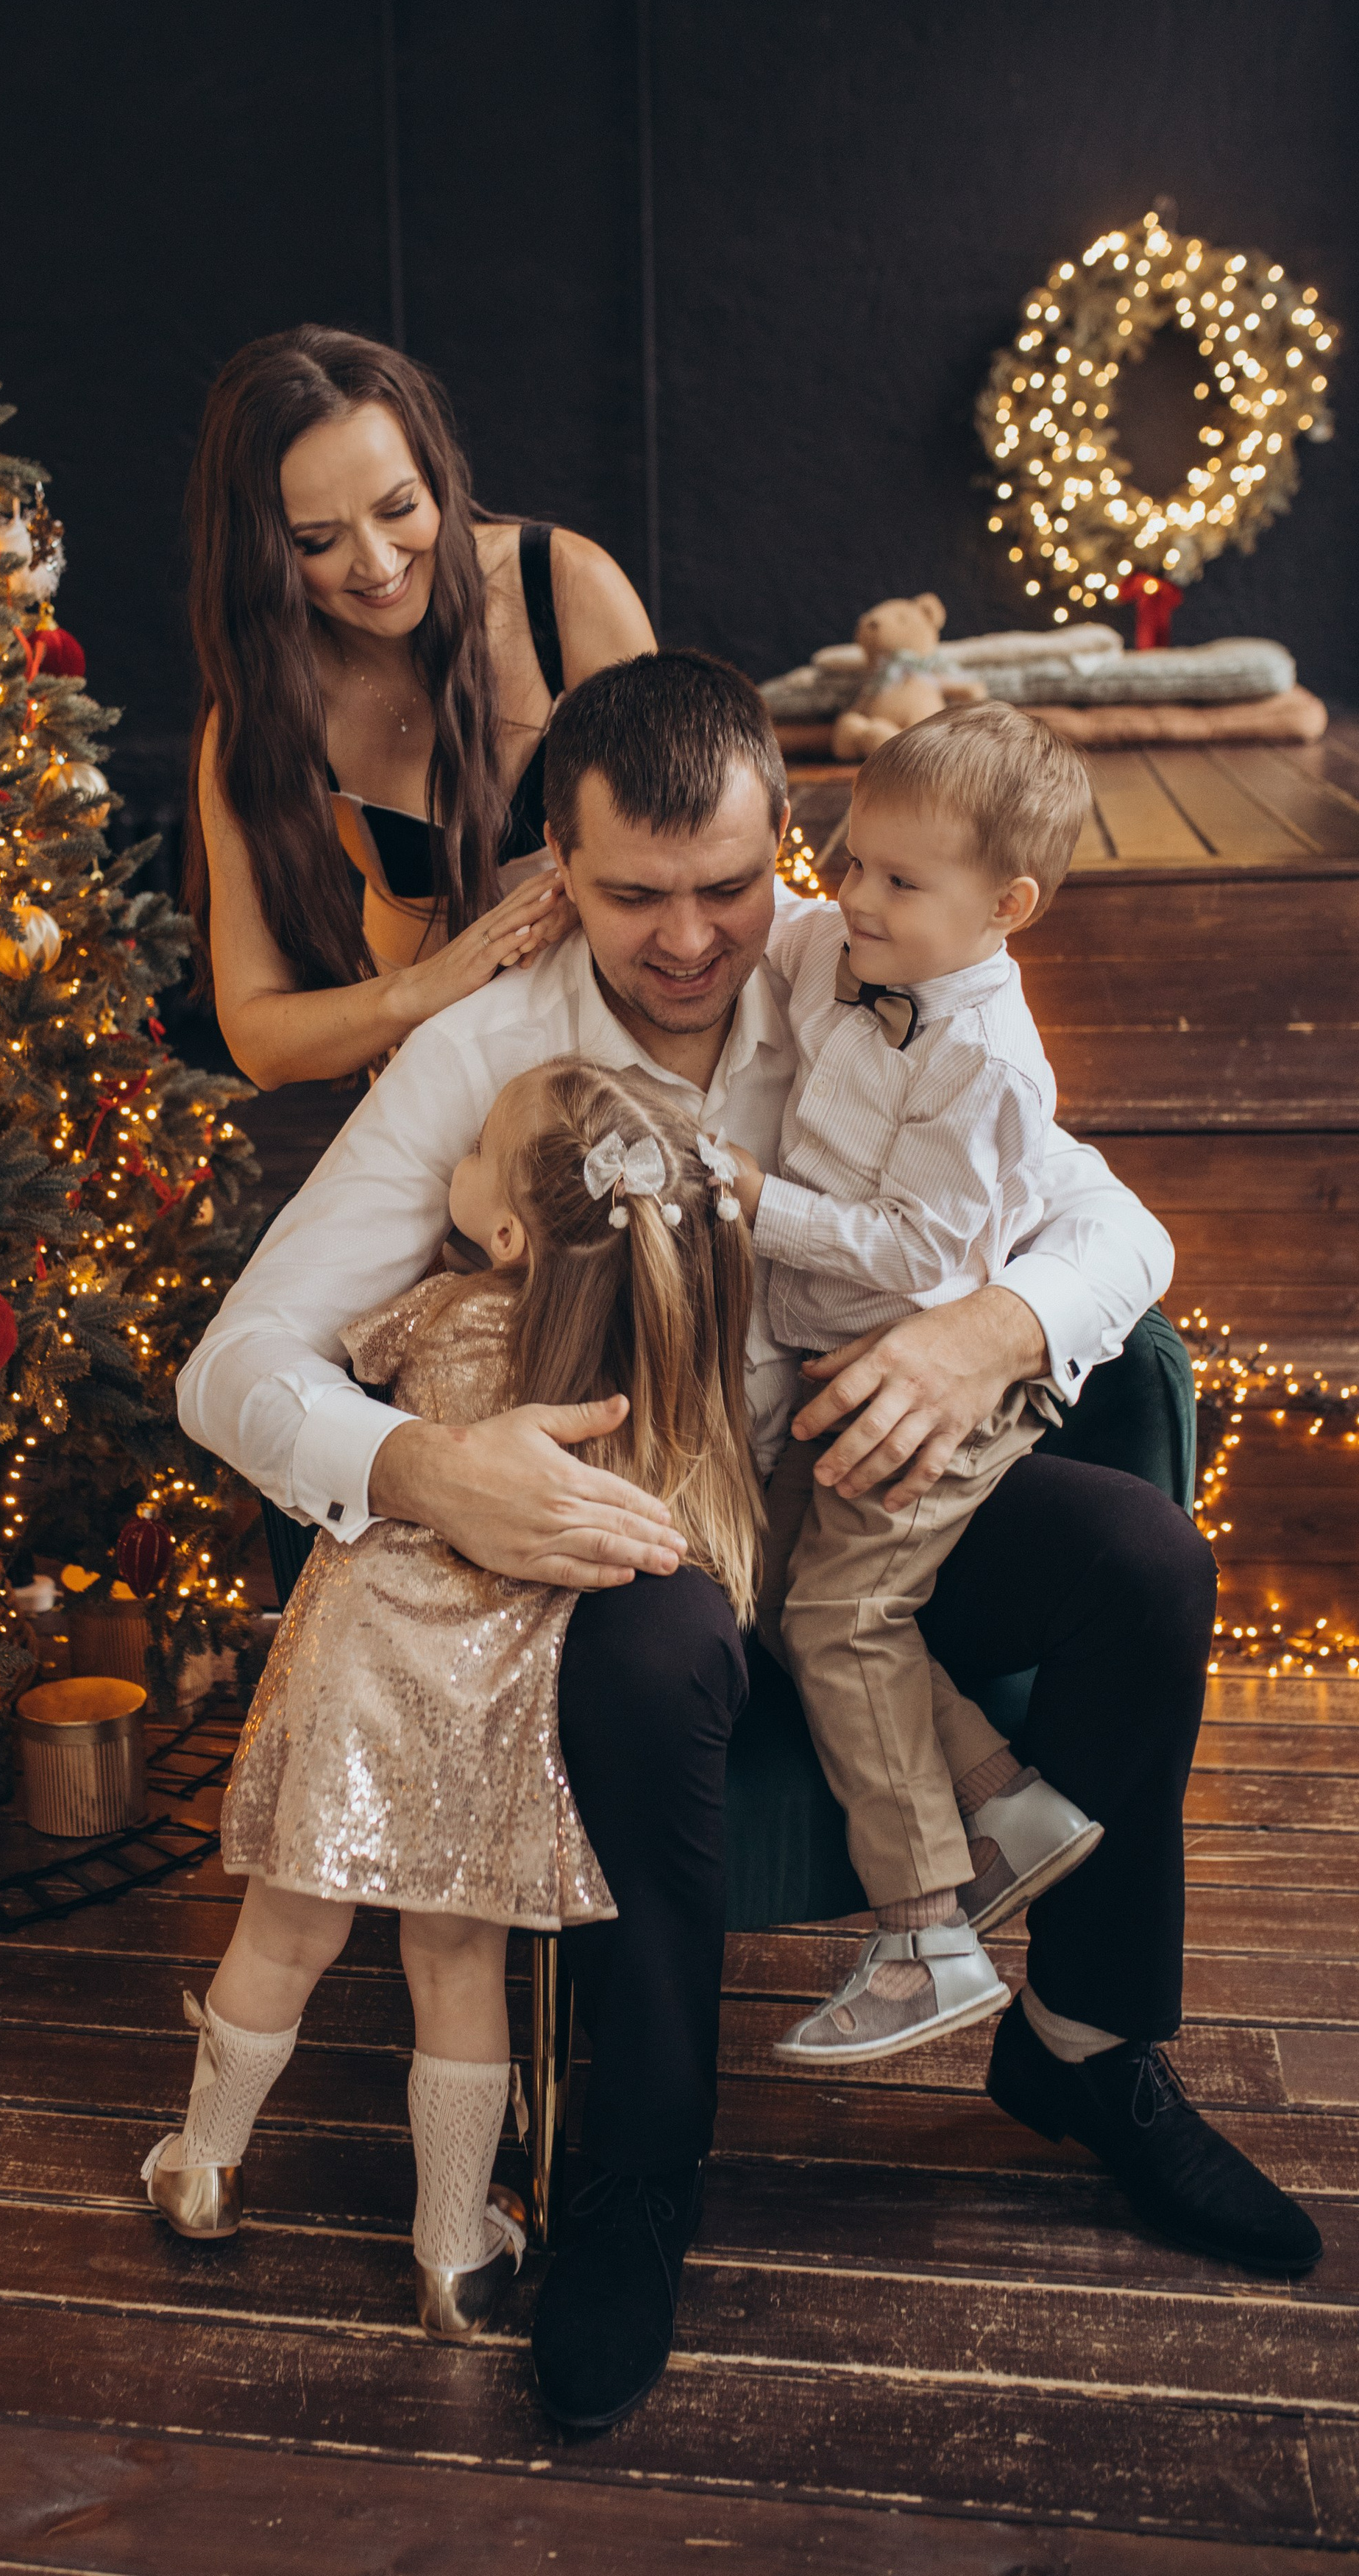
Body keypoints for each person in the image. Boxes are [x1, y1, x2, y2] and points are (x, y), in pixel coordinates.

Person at [178, 649, 1321, 2437]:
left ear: (779, 845)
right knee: (651, 1661)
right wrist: (423, 1465)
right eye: (634, 897)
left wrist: (990, 1328)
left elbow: (1114, 1226)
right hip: (646, 1514)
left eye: (730, 883)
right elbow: (233, 1360)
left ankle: (1086, 2049)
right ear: (557, 867)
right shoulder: (473, 1053)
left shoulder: (857, 953)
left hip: (859, 1485)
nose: (695, 937)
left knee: (1145, 1567)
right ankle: (637, 2175)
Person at [144, 1057, 764, 2348]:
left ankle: (203, 2164)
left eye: (474, 1149)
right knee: (457, 1962)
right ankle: (452, 2255)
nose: (455, 1162)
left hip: (355, 1676)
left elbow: (326, 1374)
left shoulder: (433, 1313)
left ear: (502, 1231)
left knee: (282, 1938)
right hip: (482, 1711)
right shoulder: (626, 1378)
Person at [712, 706, 1104, 2065]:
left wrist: (760, 1207)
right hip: (836, 1363)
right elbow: (759, 921)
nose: (853, 897)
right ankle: (1009, 1803)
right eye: (851, 861)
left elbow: (931, 1261)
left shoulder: (989, 1064)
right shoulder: (846, 942)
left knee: (838, 1613)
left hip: (938, 1378)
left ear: (1005, 908)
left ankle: (925, 1932)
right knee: (763, 1576)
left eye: (898, 880)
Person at [180, 324, 656, 1087]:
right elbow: (258, 1038)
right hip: (439, 1063)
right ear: (265, 550)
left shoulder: (564, 588)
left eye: (398, 507)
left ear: (434, 475)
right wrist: (423, 990)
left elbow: (687, 846)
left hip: (630, 1021)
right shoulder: (261, 713)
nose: (375, 563)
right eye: (316, 541)